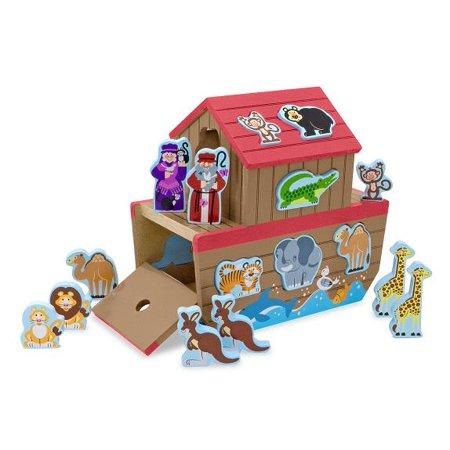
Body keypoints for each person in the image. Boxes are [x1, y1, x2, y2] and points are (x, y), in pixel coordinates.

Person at [187, 152, 226, 224]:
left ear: (213, 164)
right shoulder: (196, 173)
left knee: (212, 212)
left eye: (209, 163)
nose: (206, 165)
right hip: (198, 196)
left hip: (212, 197)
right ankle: (196, 219)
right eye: (203, 163)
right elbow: (190, 181)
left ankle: (212, 219)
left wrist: (215, 185)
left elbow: (222, 183)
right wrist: (201, 184)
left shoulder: (216, 174)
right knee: (197, 212)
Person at [151, 142, 188, 211]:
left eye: (171, 154)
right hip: (162, 188)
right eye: (167, 154)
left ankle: (177, 208)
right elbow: (154, 173)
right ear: (163, 156)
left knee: (176, 203)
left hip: (176, 188)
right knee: (162, 202)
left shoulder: (179, 165)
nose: (169, 156)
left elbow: (182, 177)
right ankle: (162, 208)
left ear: (175, 156)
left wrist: (182, 167)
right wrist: (164, 175)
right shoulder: (161, 165)